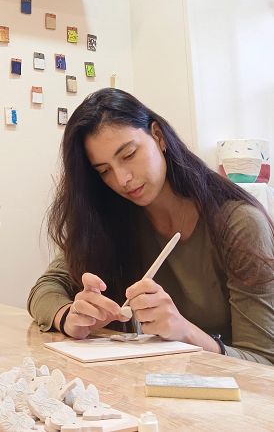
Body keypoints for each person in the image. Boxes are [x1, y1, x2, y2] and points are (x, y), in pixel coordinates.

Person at [27, 88, 274, 365]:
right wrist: (69, 316)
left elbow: (263, 362)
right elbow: (45, 288)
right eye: (104, 171)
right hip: (141, 391)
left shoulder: (239, 224)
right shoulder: (114, 219)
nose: (122, 179)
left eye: (129, 154)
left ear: (158, 136)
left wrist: (186, 333)